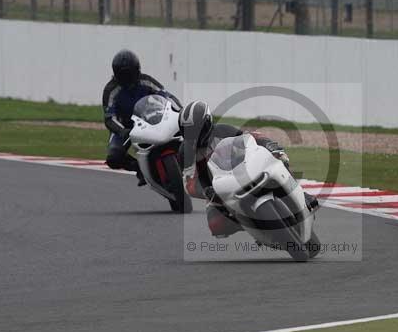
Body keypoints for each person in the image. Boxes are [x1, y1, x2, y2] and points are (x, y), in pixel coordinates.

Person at [178, 100, 317, 237]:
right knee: (216, 226)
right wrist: (205, 190)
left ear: (207, 123)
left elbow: (252, 138)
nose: (193, 134)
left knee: (278, 160)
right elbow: (188, 180)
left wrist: (269, 145)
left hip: (245, 168)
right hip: (217, 188)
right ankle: (250, 224)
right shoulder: (185, 152)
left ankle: (302, 195)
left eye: (196, 129)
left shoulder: (223, 130)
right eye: (188, 130)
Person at [102, 49, 181, 185]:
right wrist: (122, 131)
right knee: (113, 158)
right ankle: (140, 169)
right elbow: (109, 118)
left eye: (131, 73)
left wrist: (180, 111)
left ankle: (183, 161)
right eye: (124, 75)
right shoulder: (111, 90)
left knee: (180, 134)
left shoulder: (146, 80)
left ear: (137, 69)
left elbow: (167, 96)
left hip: (149, 119)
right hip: (124, 126)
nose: (129, 78)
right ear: (117, 74)